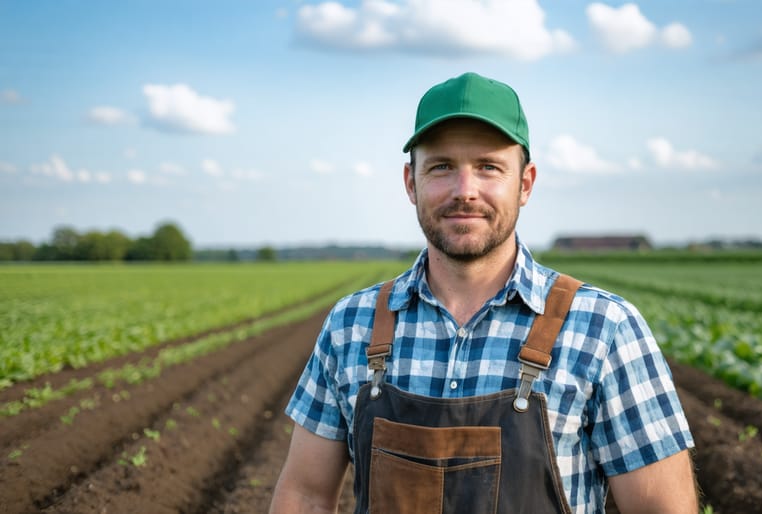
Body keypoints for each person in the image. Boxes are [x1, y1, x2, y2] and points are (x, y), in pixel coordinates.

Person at [270, 72, 697, 514]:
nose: (464, 191)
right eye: (441, 167)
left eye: (489, 167)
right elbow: (305, 495)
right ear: (411, 182)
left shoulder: (604, 328)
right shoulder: (350, 325)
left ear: (525, 183)